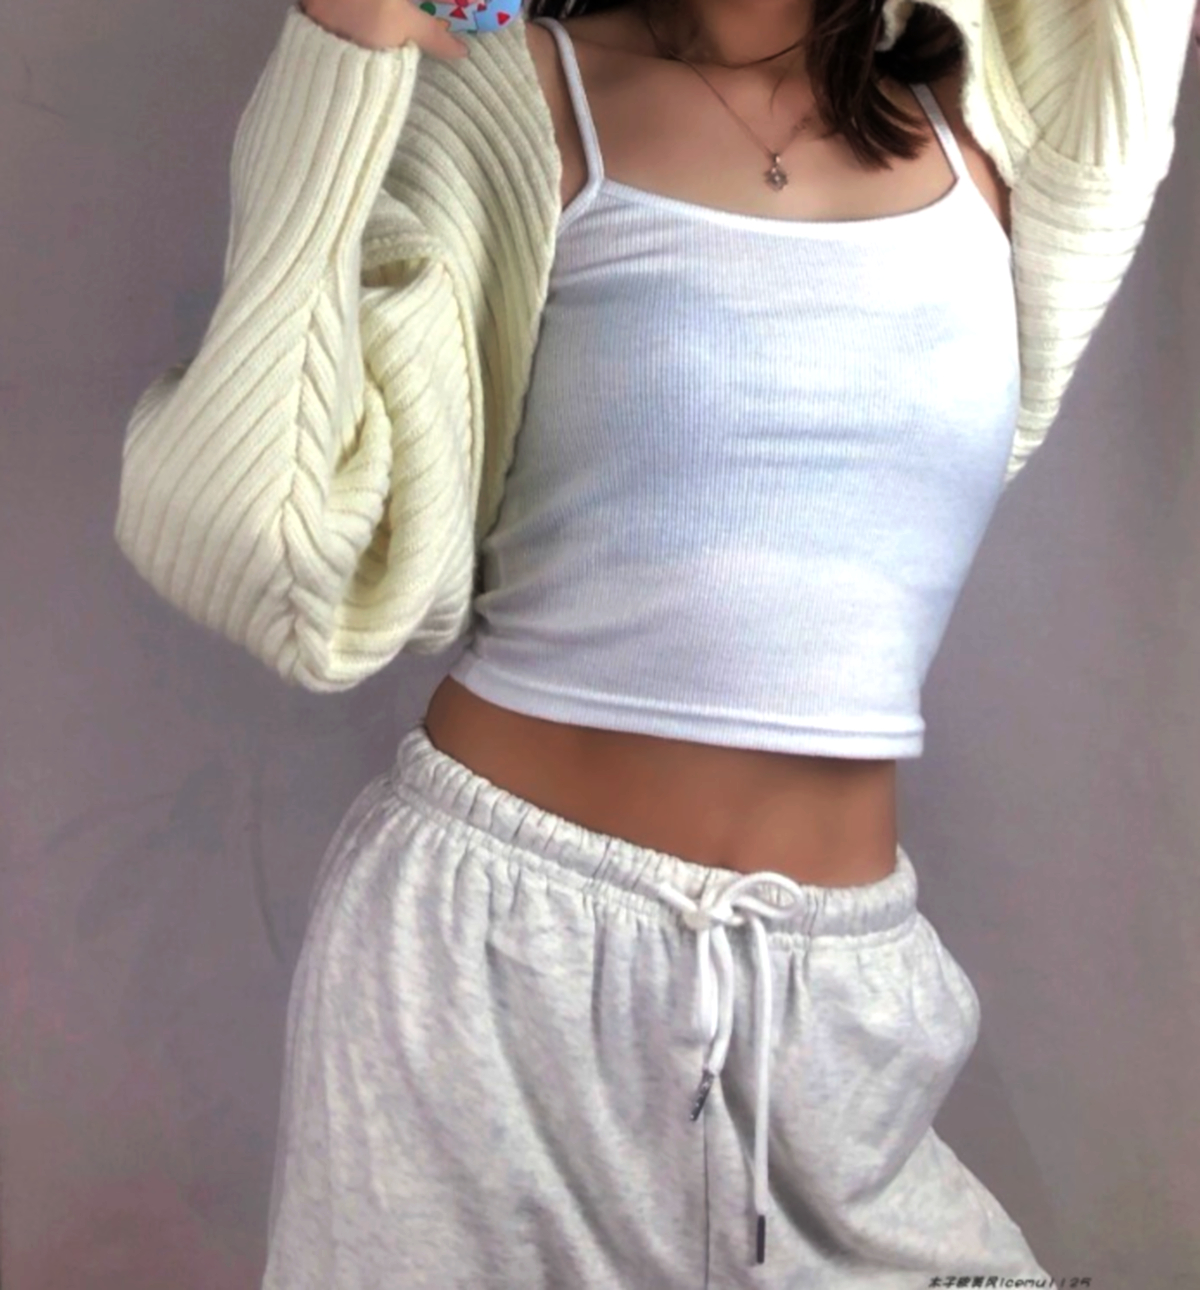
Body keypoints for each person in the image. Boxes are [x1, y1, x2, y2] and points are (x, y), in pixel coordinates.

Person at [111, 0, 1195, 1285]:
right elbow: (263, 538)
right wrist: (340, 50)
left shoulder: (1006, 114)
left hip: (843, 998)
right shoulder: (514, 98)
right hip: (490, 971)